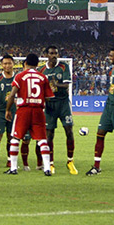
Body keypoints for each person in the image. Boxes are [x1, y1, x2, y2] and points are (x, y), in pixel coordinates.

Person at [4, 53, 54, 176]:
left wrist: (8, 110)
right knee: (42, 139)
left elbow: (12, 95)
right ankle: (47, 168)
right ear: (37, 64)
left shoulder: (20, 76)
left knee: (16, 138)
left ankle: (13, 168)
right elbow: (48, 97)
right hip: (38, 110)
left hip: (23, 110)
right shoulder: (43, 78)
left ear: (25, 63)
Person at [87, 46, 114, 176]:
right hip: (108, 105)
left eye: (111, 55)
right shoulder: (113, 70)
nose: (109, 57)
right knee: (100, 132)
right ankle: (96, 166)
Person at [39, 45, 76, 175]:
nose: (54, 55)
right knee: (49, 135)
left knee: (69, 130)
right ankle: (50, 163)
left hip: (63, 103)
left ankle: (70, 161)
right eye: (51, 53)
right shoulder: (41, 70)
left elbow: (66, 85)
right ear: (46, 55)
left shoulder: (64, 67)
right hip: (49, 105)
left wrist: (56, 85)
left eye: (55, 53)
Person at [0, 55, 19, 169]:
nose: (7, 66)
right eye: (5, 63)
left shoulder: (18, 78)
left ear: (13, 64)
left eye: (9, 63)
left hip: (14, 112)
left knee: (11, 136)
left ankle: (9, 160)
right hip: (0, 112)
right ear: (2, 65)